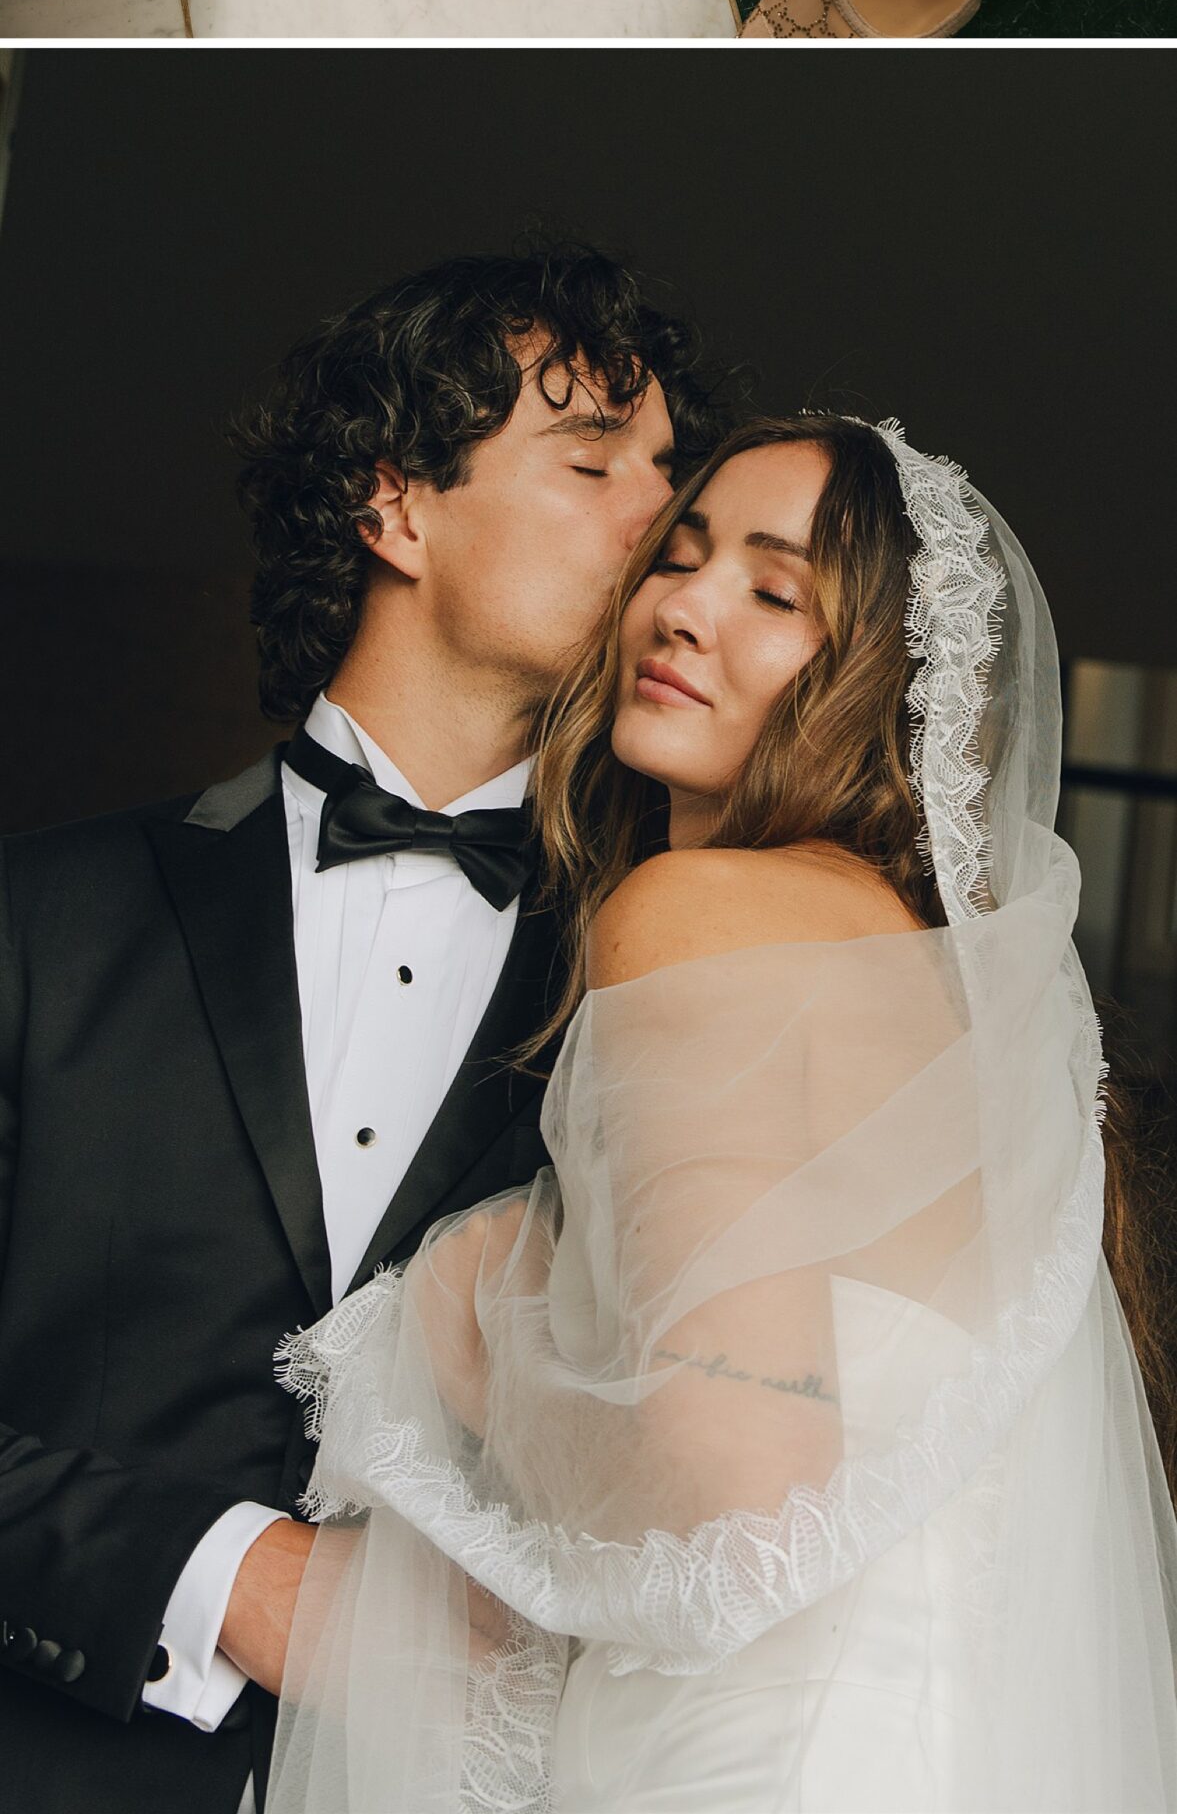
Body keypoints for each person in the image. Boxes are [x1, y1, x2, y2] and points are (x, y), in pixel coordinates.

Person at [268, 415, 1177, 1814]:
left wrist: (468, 1348)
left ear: (886, 678)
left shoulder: (706, 915)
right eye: (673, 560)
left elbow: (736, 1497)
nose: (682, 609)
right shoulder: (928, 985)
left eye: (773, 594)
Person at [0, 246, 723, 1814]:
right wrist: (226, 1578)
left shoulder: (661, 985)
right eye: (592, 459)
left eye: (668, 480)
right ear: (394, 507)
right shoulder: (41, 919)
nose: (656, 526)